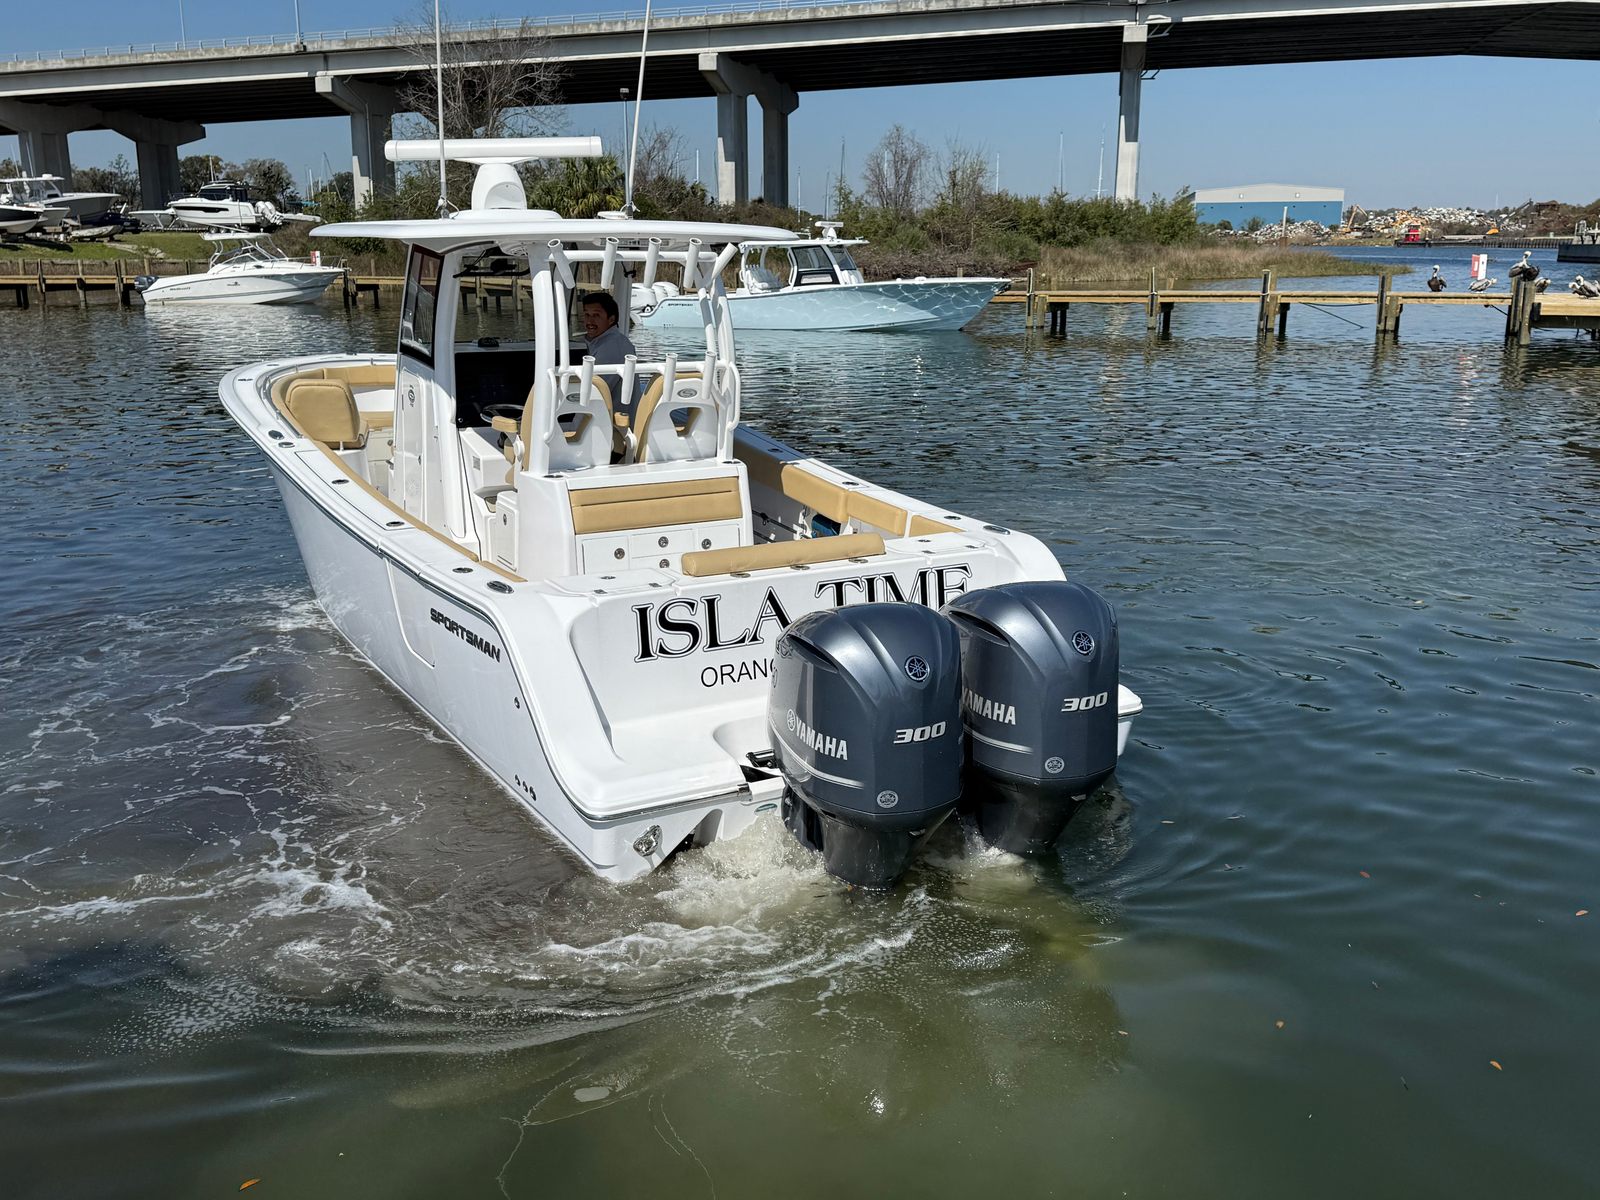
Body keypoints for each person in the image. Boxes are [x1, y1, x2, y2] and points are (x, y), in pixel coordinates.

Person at [580, 291, 640, 422]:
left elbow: (593, 395)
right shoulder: (610, 341)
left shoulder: (611, 348)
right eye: (587, 314)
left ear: (611, 319)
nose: (589, 321)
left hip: (611, 425)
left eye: (596, 315)